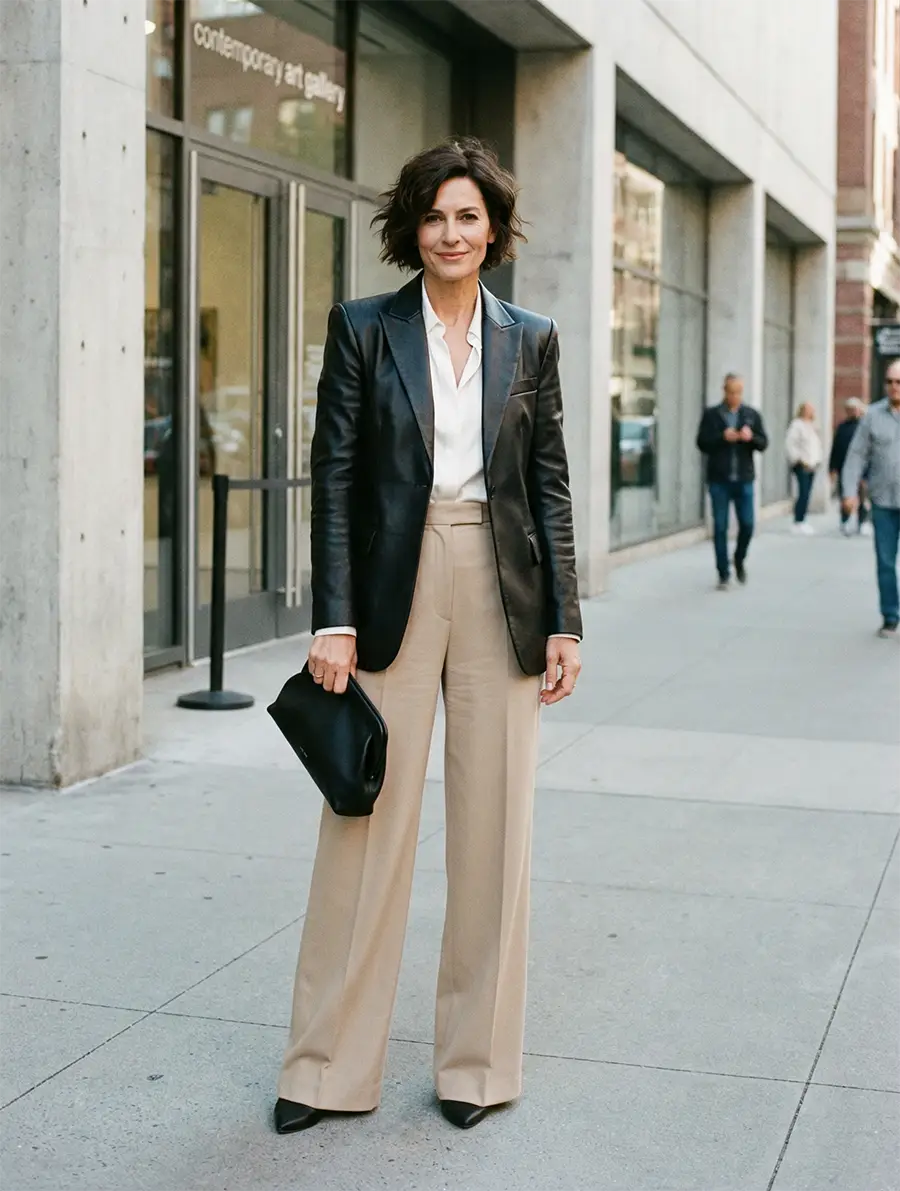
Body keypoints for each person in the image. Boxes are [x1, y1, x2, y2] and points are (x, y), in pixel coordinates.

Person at [274, 138, 583, 1135]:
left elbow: (550, 484)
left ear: (494, 228)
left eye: (468, 216)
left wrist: (566, 620)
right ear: (413, 229)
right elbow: (333, 479)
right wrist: (333, 615)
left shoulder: (530, 337)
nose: (451, 233)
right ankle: (324, 1068)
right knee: (365, 823)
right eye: (435, 216)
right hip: (390, 582)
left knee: (496, 830)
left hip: (503, 583)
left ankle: (478, 1067)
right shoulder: (364, 329)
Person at [842, 358, 900, 637]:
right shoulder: (873, 416)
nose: (894, 387)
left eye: (899, 382)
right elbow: (856, 455)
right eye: (889, 382)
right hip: (883, 502)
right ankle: (890, 615)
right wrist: (849, 492)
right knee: (886, 562)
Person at [696, 374, 769, 589]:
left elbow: (763, 443)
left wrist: (751, 438)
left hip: (744, 479)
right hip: (719, 480)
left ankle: (738, 558)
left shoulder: (751, 415)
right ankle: (723, 573)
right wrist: (721, 437)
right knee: (720, 527)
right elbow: (701, 442)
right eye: (731, 391)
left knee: (747, 524)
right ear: (724, 391)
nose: (734, 396)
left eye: (738, 392)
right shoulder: (712, 415)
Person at [829, 397, 869, 535]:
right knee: (845, 496)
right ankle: (845, 520)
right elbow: (835, 448)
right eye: (849, 409)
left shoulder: (864, 426)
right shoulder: (842, 427)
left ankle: (862, 522)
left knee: (862, 496)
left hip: (862, 469)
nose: (852, 412)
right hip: (843, 468)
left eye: (854, 409)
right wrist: (832, 467)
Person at [785, 402, 823, 534]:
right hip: (802, 464)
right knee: (803, 493)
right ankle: (798, 520)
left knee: (807, 494)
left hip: (813, 464)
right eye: (808, 409)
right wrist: (798, 459)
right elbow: (790, 444)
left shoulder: (813, 425)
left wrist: (818, 460)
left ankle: (803, 519)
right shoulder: (797, 425)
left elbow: (816, 445)